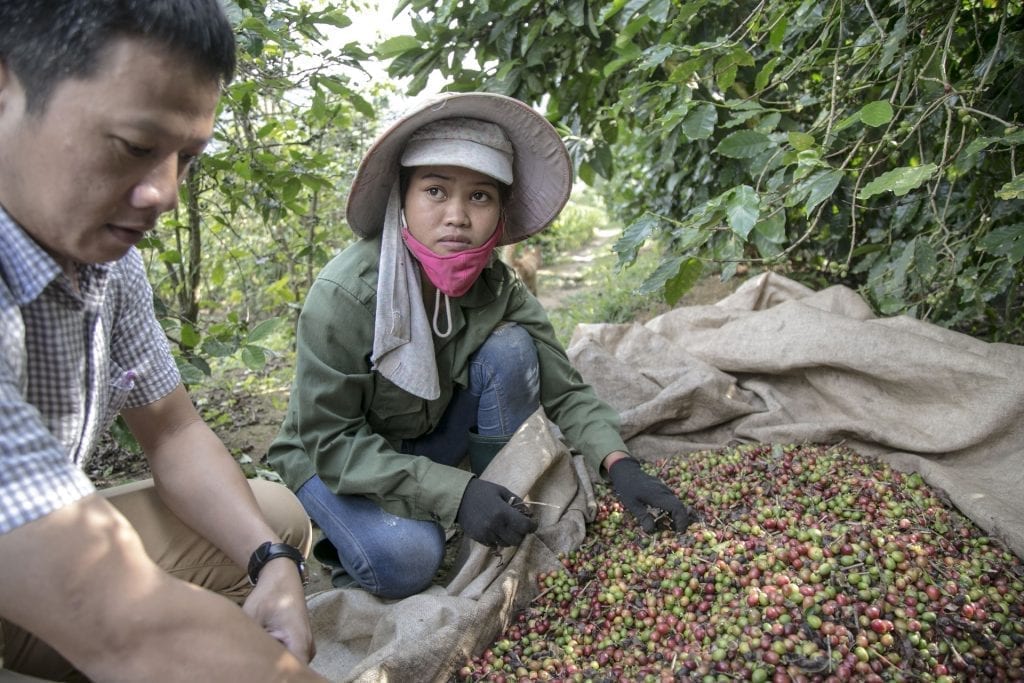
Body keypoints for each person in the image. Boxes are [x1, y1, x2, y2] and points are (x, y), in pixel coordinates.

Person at [0, 2, 328, 681]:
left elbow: (173, 432)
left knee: (274, 521)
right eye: (136, 146)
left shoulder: (107, 262)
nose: (165, 192)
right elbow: (130, 627)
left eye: (188, 157)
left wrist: (270, 561)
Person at [268, 92, 695, 600]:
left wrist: (619, 465)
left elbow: (565, 390)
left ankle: (497, 501)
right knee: (408, 560)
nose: (456, 216)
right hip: (336, 458)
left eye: (479, 197)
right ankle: (369, 522)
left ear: (499, 212)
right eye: (435, 191)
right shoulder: (346, 297)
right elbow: (333, 441)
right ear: (401, 198)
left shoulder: (498, 285)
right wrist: (456, 492)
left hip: (424, 436)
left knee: (513, 349)